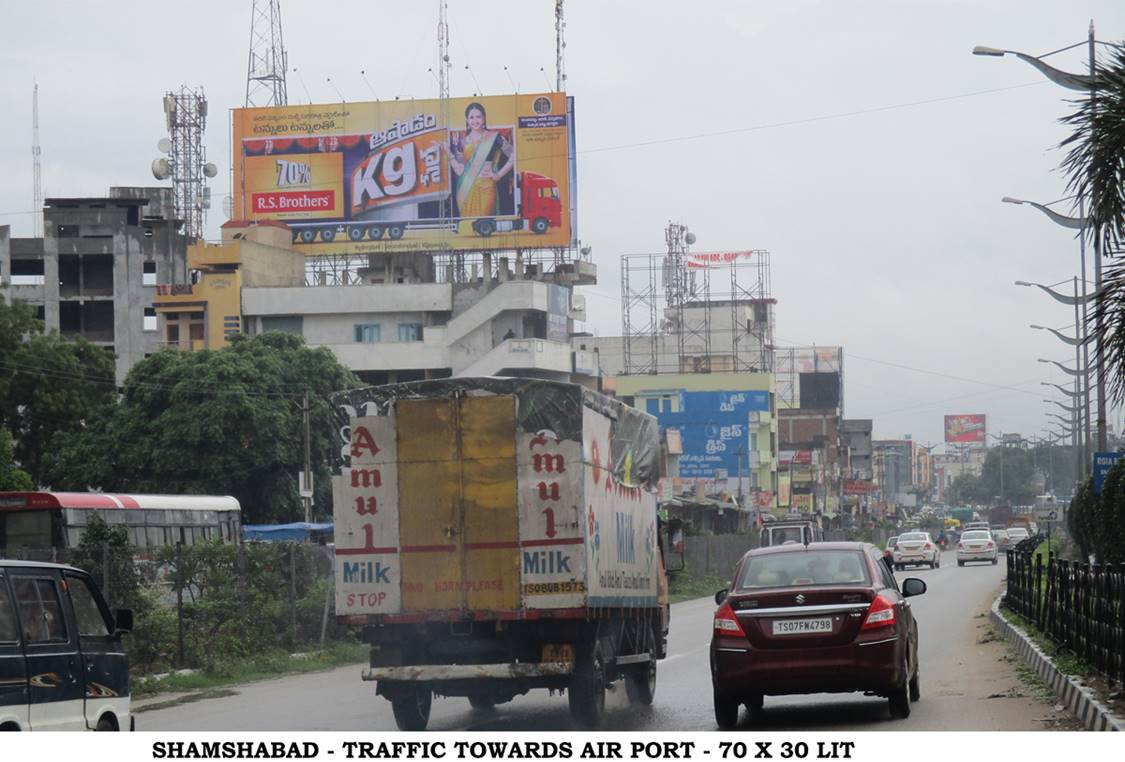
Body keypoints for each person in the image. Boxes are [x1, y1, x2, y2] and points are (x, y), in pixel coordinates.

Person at [448, 102, 514, 218]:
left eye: (478, 117)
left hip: (486, 187)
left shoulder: (494, 137)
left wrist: (498, 175)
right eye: (471, 117)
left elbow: (514, 156)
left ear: (484, 118)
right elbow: (460, 171)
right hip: (466, 190)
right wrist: (448, 154)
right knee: (469, 225)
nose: (475, 121)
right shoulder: (462, 142)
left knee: (484, 222)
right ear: (467, 120)